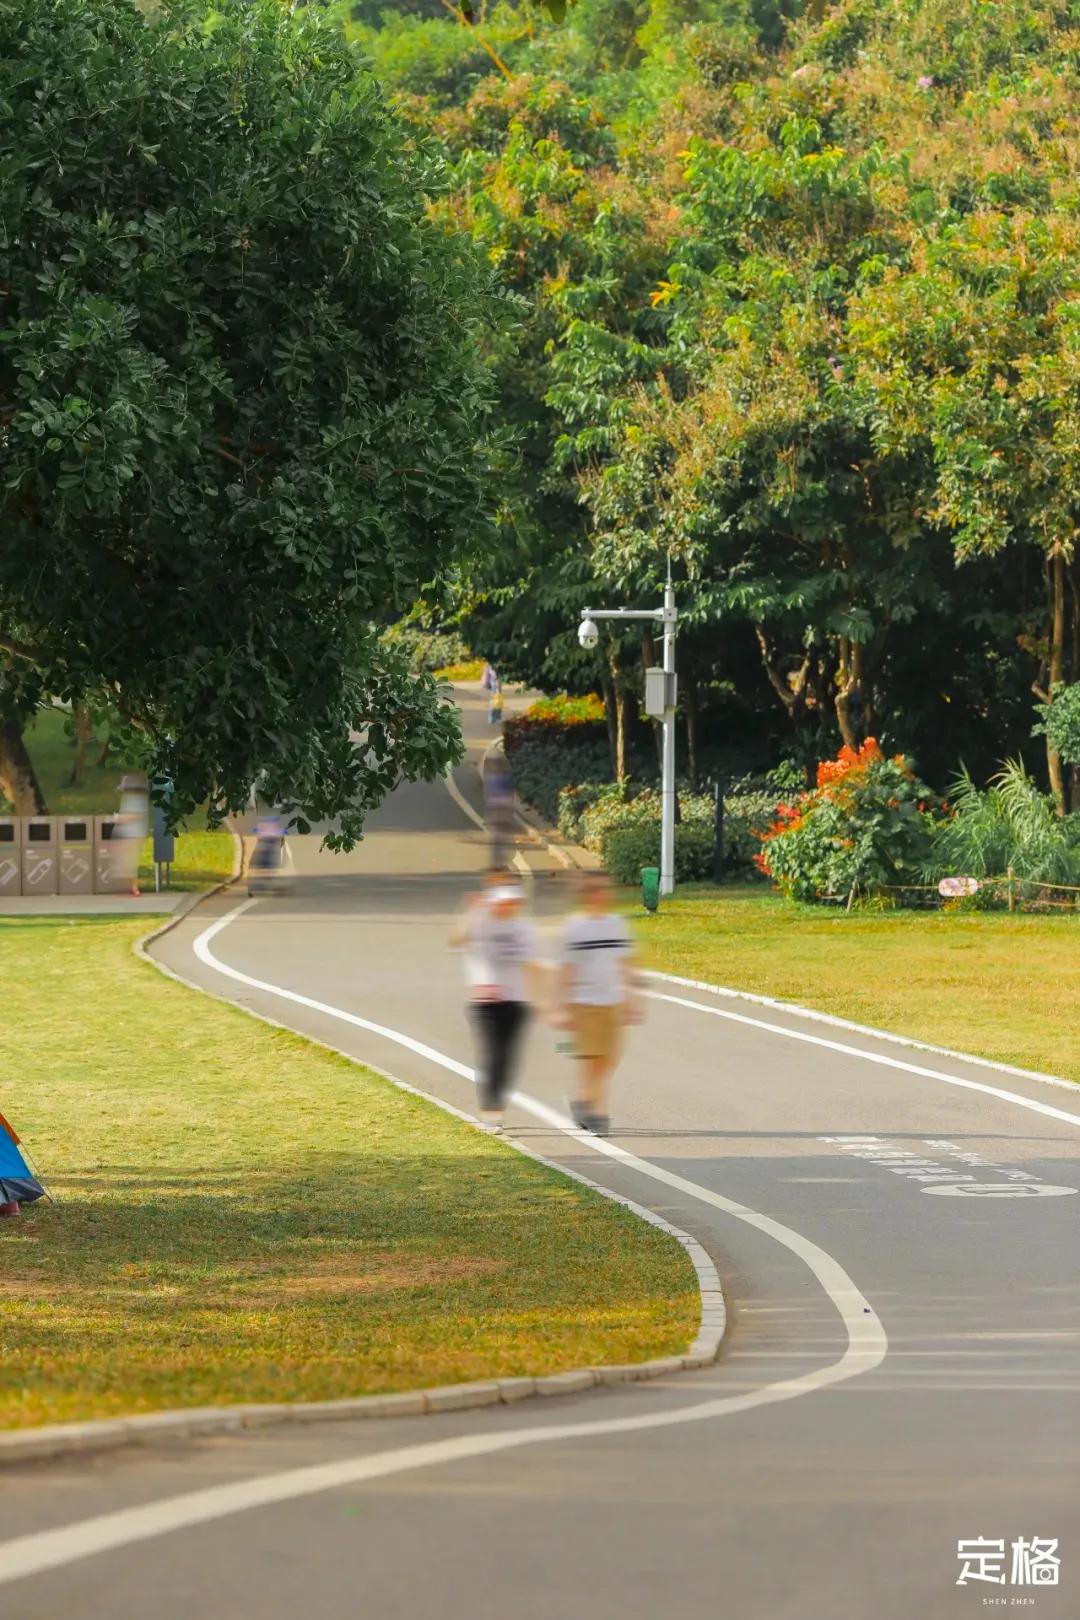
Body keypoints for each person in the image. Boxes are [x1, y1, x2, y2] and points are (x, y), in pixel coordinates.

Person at [450, 875, 542, 1132]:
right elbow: (457, 940)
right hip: (484, 1002)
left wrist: (540, 998)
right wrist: (470, 911)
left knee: (509, 1060)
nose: (508, 906)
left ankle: (496, 1104)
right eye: (503, 902)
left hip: (517, 1000)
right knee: (493, 1055)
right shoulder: (480, 922)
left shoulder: (523, 928)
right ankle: (490, 1110)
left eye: (512, 902)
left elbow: (531, 964)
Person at [554, 870, 642, 1137]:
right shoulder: (575, 927)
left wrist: (631, 999)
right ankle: (596, 1113)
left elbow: (625, 963)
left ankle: (582, 1099)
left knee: (609, 1059)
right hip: (584, 1002)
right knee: (591, 1058)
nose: (606, 895)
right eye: (599, 890)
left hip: (612, 1001)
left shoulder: (616, 923)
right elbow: (566, 968)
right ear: (588, 895)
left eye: (607, 889)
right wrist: (562, 1005)